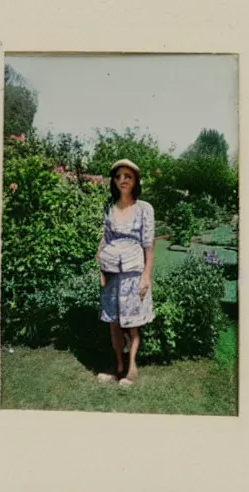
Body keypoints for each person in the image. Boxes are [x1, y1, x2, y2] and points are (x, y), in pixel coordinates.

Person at [95, 159, 155, 386]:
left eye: (127, 176)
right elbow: (105, 240)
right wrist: (101, 268)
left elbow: (148, 246)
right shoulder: (109, 208)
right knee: (114, 322)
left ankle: (131, 368)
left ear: (135, 180)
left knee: (132, 322)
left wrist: (146, 277)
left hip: (133, 273)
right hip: (111, 274)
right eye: (118, 176)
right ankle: (117, 365)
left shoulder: (144, 209)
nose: (122, 180)